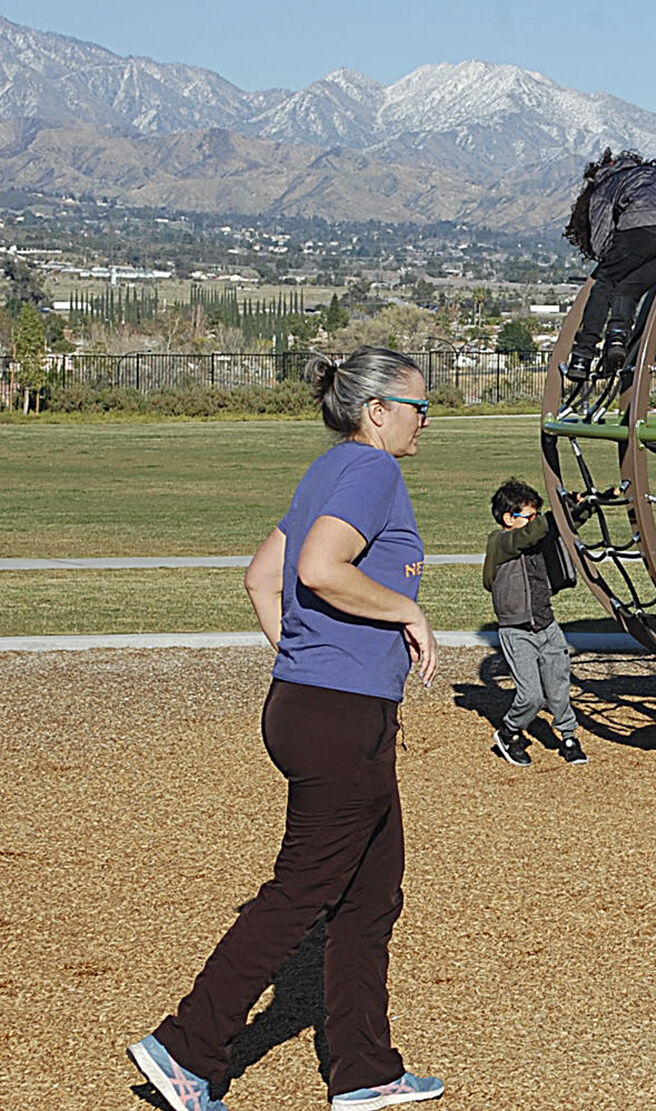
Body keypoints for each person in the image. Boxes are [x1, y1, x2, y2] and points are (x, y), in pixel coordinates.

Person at [127, 347, 444, 1111]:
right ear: (377, 410)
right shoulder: (372, 471)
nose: (425, 421)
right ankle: (185, 1047)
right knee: (301, 890)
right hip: (340, 716)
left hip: (312, 703)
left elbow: (258, 578)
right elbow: (317, 569)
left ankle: (365, 1070)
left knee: (370, 894)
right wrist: (406, 610)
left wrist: (309, 656)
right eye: (418, 407)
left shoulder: (328, 468)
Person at [562, 148, 656, 384]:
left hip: (641, 227)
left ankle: (582, 354)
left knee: (606, 283)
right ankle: (618, 338)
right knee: (629, 289)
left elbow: (601, 236)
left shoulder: (606, 183)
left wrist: (607, 261)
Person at [483, 478, 586, 767]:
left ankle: (568, 736)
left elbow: (560, 527)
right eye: (530, 516)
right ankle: (510, 731)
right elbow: (529, 535)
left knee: (559, 689)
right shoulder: (501, 542)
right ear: (508, 518)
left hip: (547, 626)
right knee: (531, 697)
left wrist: (584, 506)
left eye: (537, 516)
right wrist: (557, 511)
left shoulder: (536, 538)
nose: (535, 523)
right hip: (517, 632)